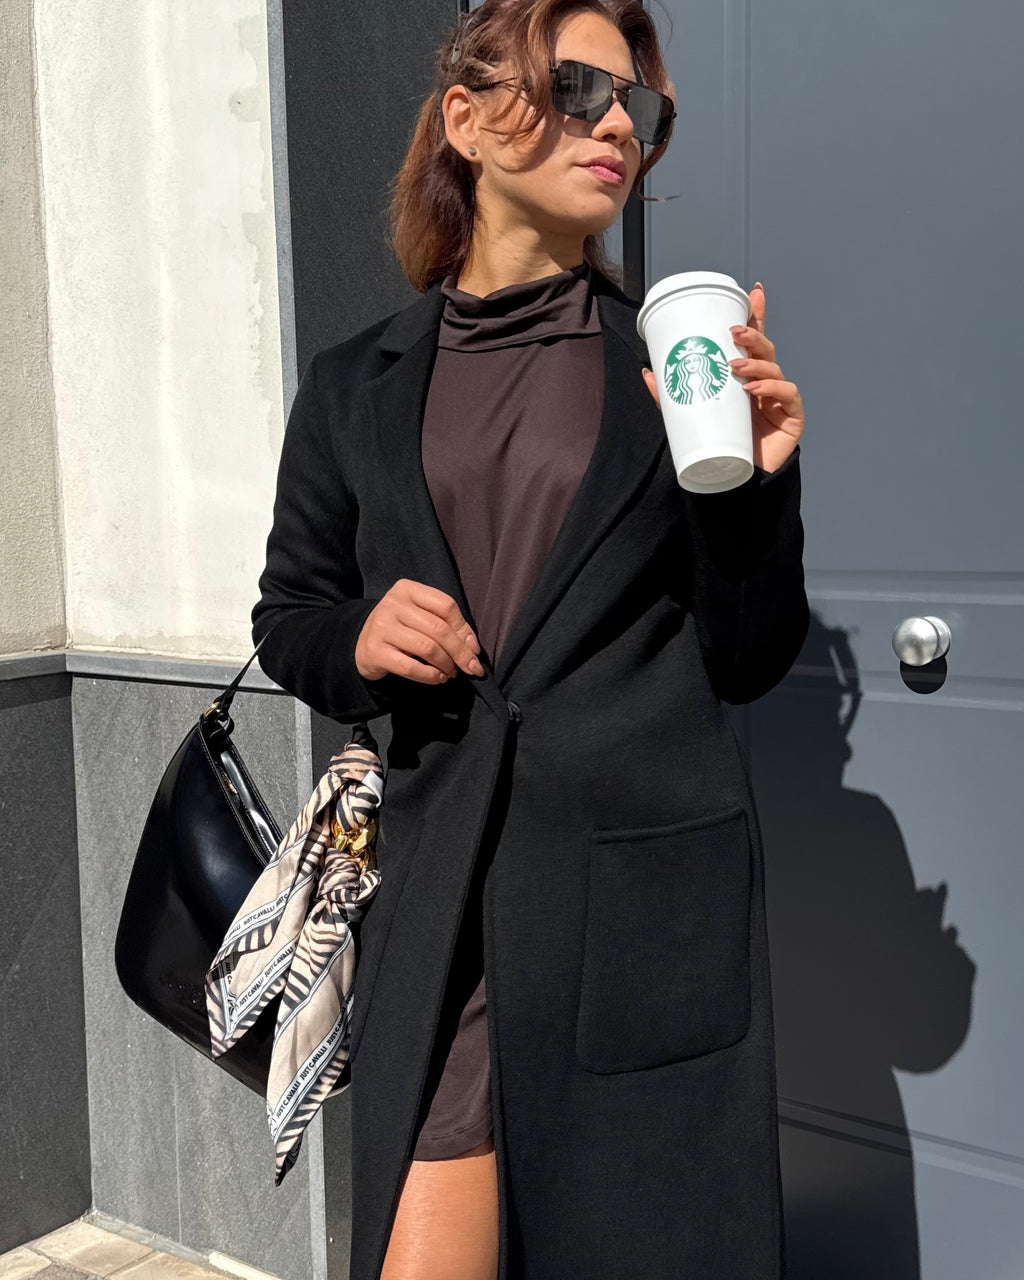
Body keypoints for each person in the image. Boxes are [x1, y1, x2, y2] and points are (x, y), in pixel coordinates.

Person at [251, 0, 809, 1277]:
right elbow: (288, 619)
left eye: (639, 109)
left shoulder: (669, 370)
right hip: (442, 891)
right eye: (576, 89)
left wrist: (756, 489)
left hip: (632, 894)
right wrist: (360, 635)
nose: (617, 127)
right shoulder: (354, 383)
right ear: (467, 118)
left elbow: (746, 658)